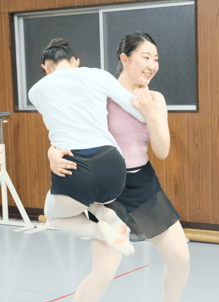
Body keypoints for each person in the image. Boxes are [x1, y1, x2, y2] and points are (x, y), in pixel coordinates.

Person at [48, 32, 203, 302]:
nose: (152, 65)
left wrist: (150, 113)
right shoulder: (99, 94)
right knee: (105, 271)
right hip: (108, 185)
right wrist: (52, 153)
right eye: (145, 57)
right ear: (124, 59)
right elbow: (65, 133)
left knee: (180, 258)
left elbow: (162, 150)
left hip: (143, 183)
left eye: (156, 59)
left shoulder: (155, 99)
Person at [29, 38, 148, 257]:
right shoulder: (98, 75)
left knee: (54, 215)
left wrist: (51, 153)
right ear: (75, 62)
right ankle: (106, 215)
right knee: (91, 198)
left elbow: (63, 132)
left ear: (46, 67)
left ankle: (99, 230)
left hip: (75, 169)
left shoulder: (36, 91)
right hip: (112, 168)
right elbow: (139, 111)